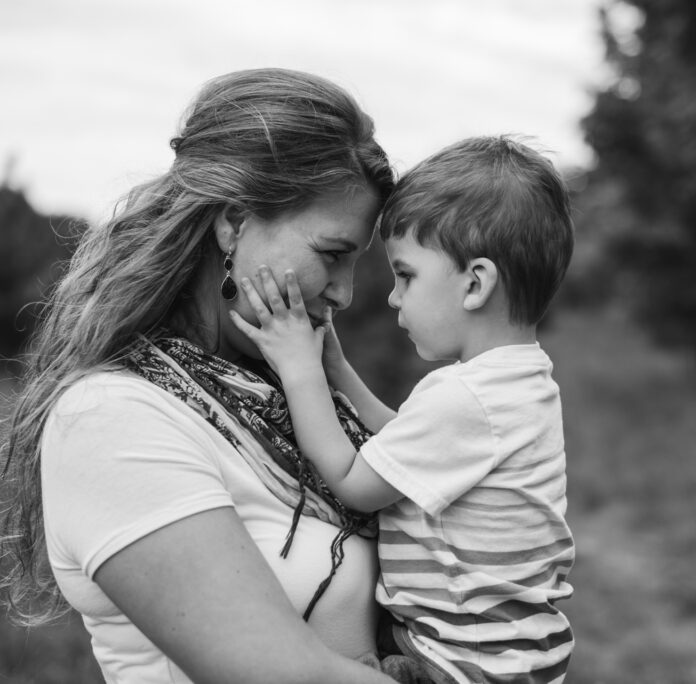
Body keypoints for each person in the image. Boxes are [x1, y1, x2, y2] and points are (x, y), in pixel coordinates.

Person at [0, 68, 412, 683]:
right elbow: (284, 674)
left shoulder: (292, 393)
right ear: (233, 223)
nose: (344, 292)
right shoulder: (113, 419)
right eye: (332, 255)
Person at [231, 136, 577, 683]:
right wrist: (338, 374)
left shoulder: (466, 397)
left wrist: (299, 371)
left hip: (458, 665)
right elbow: (406, 446)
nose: (393, 297)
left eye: (406, 275)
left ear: (475, 284)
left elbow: (355, 480)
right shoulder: (519, 380)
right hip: (511, 657)